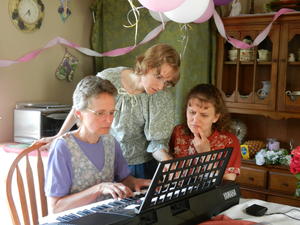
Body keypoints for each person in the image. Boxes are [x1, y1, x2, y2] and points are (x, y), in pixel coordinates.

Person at [39, 43, 181, 179]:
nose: (161, 86)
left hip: (140, 166)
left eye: (167, 82)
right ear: (147, 66)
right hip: (105, 160)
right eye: (159, 77)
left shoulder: (162, 97)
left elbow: (157, 144)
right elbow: (80, 107)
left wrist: (167, 162)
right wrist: (58, 136)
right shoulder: (109, 78)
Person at [45, 76, 151, 213]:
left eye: (112, 112)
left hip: (107, 217)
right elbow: (55, 207)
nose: (108, 120)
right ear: (79, 114)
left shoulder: (111, 142)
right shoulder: (62, 148)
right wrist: (98, 189)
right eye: (100, 113)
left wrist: (137, 182)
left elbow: (125, 179)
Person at [169, 84, 241, 181]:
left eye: (204, 115)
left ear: (216, 117)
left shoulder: (230, 141)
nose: (195, 120)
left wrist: (206, 154)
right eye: (192, 112)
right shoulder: (177, 132)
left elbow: (228, 180)